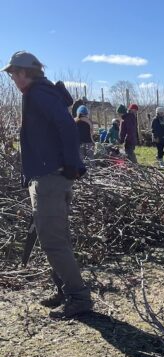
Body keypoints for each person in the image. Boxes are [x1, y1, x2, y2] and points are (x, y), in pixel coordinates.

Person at [2, 51, 92, 318]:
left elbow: (66, 125)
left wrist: (71, 163)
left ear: (26, 72)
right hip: (48, 176)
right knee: (55, 237)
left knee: (53, 241)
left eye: (15, 73)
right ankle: (65, 291)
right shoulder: (41, 94)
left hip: (50, 179)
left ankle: (79, 298)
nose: (13, 79)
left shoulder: (38, 94)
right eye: (11, 74)